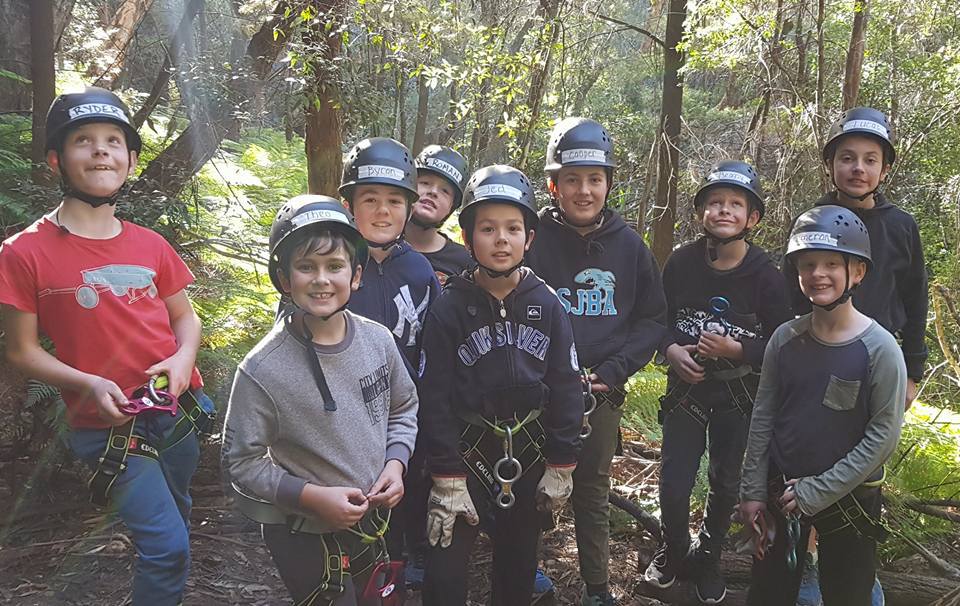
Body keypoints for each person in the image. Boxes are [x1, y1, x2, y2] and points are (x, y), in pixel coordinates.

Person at [0, 87, 208, 605]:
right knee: (166, 546)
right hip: (107, 426)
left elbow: (185, 317)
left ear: (131, 160)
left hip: (176, 409)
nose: (100, 150)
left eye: (114, 141)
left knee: (177, 521)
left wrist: (183, 359)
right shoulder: (24, 252)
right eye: (84, 140)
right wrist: (88, 383)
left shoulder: (150, 244)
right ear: (55, 159)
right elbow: (21, 351)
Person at [222, 196, 419, 605]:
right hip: (302, 533)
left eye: (335, 267)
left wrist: (396, 463)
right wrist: (310, 496)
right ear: (284, 278)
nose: (321, 279)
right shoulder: (263, 369)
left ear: (356, 275)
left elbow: (403, 407)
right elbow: (241, 461)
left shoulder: (378, 341)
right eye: (306, 267)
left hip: (371, 522)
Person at [418, 165, 582, 605]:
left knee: (517, 568)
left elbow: (567, 384)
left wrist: (561, 463)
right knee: (446, 573)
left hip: (526, 451)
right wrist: (446, 475)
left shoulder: (547, 305)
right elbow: (432, 395)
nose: (501, 239)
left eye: (513, 228)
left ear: (530, 238)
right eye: (487, 229)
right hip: (466, 450)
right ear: (468, 238)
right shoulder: (449, 307)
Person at [526, 117, 667, 606]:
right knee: (530, 483)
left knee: (591, 489)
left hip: (598, 394)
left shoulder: (630, 248)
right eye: (571, 180)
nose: (583, 191)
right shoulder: (531, 239)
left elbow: (652, 319)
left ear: (608, 183)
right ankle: (526, 573)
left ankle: (597, 588)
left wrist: (613, 371)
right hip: (536, 391)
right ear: (554, 185)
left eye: (594, 179)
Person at [740, 205, 906, 606]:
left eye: (832, 263)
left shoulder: (879, 349)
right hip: (783, 492)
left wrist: (819, 490)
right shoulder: (785, 339)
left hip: (851, 501)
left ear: (858, 272)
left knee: (847, 593)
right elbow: (764, 416)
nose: (818, 273)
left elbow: (883, 436)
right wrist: (751, 490)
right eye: (808, 264)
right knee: (768, 592)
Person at [644, 160, 792, 604]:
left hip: (738, 394)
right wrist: (670, 351)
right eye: (714, 202)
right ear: (701, 212)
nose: (723, 211)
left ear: (753, 218)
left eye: (735, 204)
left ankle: (707, 558)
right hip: (686, 391)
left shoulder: (767, 275)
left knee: (726, 482)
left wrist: (737, 351)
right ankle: (673, 551)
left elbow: (782, 343)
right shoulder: (682, 263)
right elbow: (656, 321)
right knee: (674, 482)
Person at [783, 107, 927, 410]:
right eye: (847, 158)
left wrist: (912, 372)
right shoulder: (810, 222)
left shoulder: (900, 226)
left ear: (884, 169)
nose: (858, 168)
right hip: (815, 354)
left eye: (870, 160)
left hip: (878, 359)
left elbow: (915, 299)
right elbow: (789, 293)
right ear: (829, 164)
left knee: (869, 446)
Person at [339, 137, 441, 373]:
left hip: (408, 406)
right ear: (349, 206)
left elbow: (438, 349)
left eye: (394, 201)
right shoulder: (331, 270)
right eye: (370, 199)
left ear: (409, 209)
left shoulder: (420, 271)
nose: (383, 210)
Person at [404, 144, 474, 286]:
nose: (433, 192)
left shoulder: (465, 262)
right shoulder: (381, 247)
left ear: (452, 206)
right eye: (425, 183)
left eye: (445, 191)